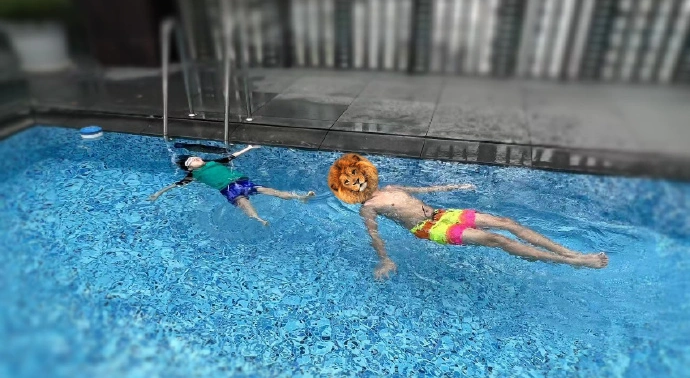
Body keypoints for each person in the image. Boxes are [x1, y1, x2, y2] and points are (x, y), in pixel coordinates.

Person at [327, 153, 608, 279]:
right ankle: (572, 262)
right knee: (496, 239)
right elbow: (374, 235)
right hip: (428, 228)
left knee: (507, 223)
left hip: (442, 213)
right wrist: (385, 260)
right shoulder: (368, 208)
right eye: (349, 182)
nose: (357, 181)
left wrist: (453, 186)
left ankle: (568, 252)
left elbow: (425, 190)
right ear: (347, 190)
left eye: (355, 175)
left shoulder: (392, 187)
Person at [149, 145, 315, 226]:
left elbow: (232, 157)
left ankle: (300, 197)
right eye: (192, 160)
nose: (196, 158)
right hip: (229, 189)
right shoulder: (193, 175)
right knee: (243, 202)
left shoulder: (213, 162)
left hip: (241, 181)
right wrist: (158, 193)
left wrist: (248, 148)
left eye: (195, 157)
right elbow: (175, 185)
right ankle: (258, 219)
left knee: (267, 190)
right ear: (189, 168)